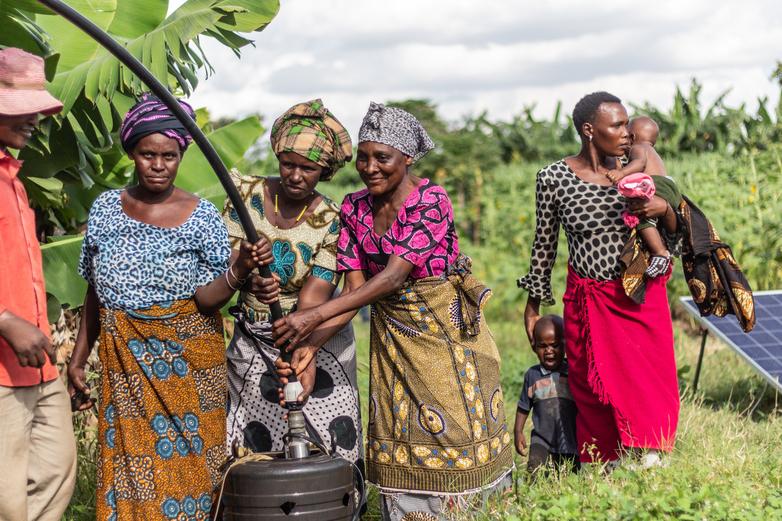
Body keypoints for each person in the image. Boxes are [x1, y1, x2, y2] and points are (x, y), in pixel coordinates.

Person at [273, 102, 513, 521]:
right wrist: (310, 346)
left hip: (443, 328)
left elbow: (391, 278)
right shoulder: (354, 208)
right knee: (399, 425)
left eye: (382, 157)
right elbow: (353, 289)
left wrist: (311, 317)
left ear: (407, 158)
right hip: (392, 335)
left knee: (455, 425)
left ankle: (469, 512)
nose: (370, 167)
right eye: (363, 157)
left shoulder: (431, 200)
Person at [67, 93, 270, 520]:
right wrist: (78, 358)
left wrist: (240, 267)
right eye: (147, 154)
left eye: (169, 155)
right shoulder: (105, 209)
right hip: (125, 364)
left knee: (190, 473)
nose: (158, 165)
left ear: (181, 155)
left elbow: (207, 298)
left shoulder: (201, 217)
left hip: (188, 365)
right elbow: (93, 291)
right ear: (132, 154)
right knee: (129, 471)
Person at [518, 92, 680, 467]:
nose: (627, 133)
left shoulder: (639, 164)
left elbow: (675, 230)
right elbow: (544, 245)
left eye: (627, 124)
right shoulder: (554, 177)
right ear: (589, 130)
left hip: (638, 290)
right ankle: (604, 457)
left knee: (647, 376)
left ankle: (651, 453)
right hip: (587, 296)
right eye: (618, 126)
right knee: (590, 383)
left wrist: (664, 208)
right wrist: (533, 306)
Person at [222, 99, 363, 465]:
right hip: (254, 337)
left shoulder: (332, 219)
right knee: (255, 442)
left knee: (331, 436)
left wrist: (303, 356)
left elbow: (315, 297)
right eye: (288, 164)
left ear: (324, 171)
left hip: (316, 334)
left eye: (308, 168)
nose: (296, 175)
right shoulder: (245, 195)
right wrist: (250, 277)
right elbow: (227, 262)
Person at [0, 47, 76, 521]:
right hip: (2, 370)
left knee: (55, 471)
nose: (34, 121)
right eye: (23, 111)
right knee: (6, 497)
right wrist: (5, 319)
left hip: (39, 366)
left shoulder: (14, 178)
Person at [606, 116, 681, 278]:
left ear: (632, 137)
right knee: (652, 221)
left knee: (641, 216)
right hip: (669, 188)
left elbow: (638, 164)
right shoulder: (654, 152)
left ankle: (661, 253)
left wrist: (621, 173)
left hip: (656, 186)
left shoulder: (638, 148)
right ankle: (668, 246)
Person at [513, 315, 578, 475]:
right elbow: (523, 406)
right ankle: (533, 496)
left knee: (572, 475)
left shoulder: (573, 372)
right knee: (534, 470)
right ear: (534, 347)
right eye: (543, 346)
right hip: (541, 438)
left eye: (555, 345)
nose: (549, 351)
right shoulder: (532, 375)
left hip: (570, 437)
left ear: (565, 345)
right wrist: (518, 431)